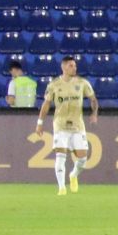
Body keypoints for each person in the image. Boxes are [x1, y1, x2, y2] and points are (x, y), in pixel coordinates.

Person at [34, 57, 97, 194]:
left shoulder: (82, 83)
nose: (74, 68)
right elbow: (46, 105)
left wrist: (94, 113)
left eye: (75, 66)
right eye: (71, 66)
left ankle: (73, 175)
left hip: (77, 126)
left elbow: (93, 99)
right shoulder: (54, 85)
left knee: (82, 159)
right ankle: (62, 188)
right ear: (63, 68)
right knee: (60, 155)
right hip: (60, 125)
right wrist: (40, 123)